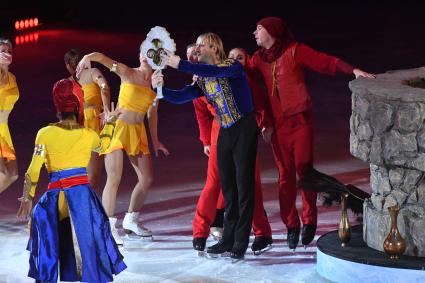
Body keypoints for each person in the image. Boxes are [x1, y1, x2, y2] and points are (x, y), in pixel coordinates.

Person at [250, 17, 375, 250]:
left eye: (259, 28)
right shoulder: (257, 59)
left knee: (304, 172)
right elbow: (242, 80)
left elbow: (325, 62)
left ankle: (309, 220)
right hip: (278, 128)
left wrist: (353, 70)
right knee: (285, 177)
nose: (254, 33)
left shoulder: (295, 51)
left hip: (301, 123)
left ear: (272, 31)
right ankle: (291, 225)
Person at [152, 33, 258, 260]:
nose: (198, 48)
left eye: (202, 45)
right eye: (197, 44)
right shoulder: (202, 79)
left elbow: (215, 72)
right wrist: (160, 90)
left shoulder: (231, 65)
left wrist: (179, 63)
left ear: (214, 48)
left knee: (244, 186)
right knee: (228, 188)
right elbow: (182, 96)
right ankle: (227, 239)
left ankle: (240, 241)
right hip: (226, 132)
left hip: (244, 127)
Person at [16, 78, 126, 283]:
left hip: (55, 198)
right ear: (78, 106)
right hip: (82, 198)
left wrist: (27, 198)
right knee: (90, 245)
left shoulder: (44, 134)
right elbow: (103, 146)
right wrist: (110, 123)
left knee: (47, 243)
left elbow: (33, 170)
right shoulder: (88, 134)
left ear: (57, 105)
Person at [76, 46, 169, 245]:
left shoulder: (156, 85)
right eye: (144, 51)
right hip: (118, 128)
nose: (146, 56)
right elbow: (103, 57)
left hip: (137, 132)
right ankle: (108, 228)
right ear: (140, 55)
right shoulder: (128, 72)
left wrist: (155, 141)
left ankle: (131, 220)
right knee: (114, 178)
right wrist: (87, 56)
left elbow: (152, 115)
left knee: (147, 178)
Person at [64, 48, 111, 189]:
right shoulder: (93, 72)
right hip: (93, 122)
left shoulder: (67, 83)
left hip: (75, 127)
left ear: (67, 65)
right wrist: (107, 110)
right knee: (93, 174)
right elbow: (105, 88)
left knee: (83, 173)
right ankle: (81, 207)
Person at [0, 38, 19, 194]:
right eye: (3, 51)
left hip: (4, 130)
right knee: (2, 173)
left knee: (12, 174)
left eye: (9, 51)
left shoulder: (12, 77)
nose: (7, 54)